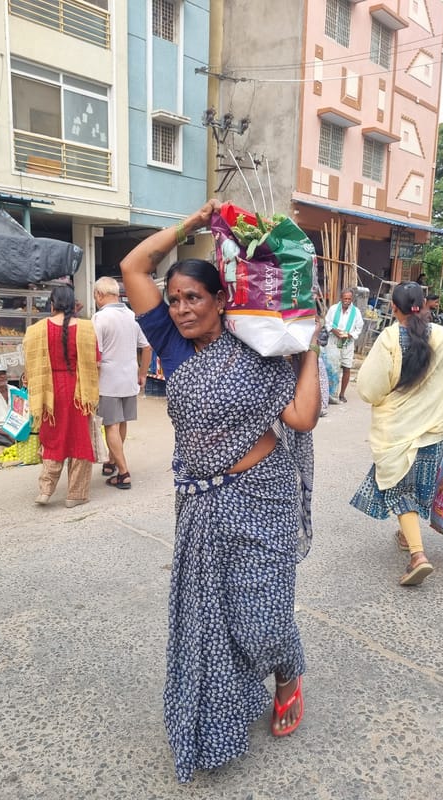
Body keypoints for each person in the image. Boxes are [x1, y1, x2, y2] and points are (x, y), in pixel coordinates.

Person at [119, 199, 321, 783]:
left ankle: (287, 672)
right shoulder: (174, 347)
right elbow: (136, 267)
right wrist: (194, 222)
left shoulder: (261, 345)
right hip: (201, 505)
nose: (180, 308)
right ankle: (220, 716)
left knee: (261, 614)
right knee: (214, 616)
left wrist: (308, 343)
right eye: (175, 298)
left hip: (264, 496)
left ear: (222, 299)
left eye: (193, 298)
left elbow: (302, 419)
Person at [350, 281, 443, 586]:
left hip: (397, 432)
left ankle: (418, 556)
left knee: (403, 492)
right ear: (427, 304)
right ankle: (407, 535)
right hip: (434, 433)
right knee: (420, 489)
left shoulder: (390, 337)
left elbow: (369, 389)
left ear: (394, 307)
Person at [23, 285, 99, 508]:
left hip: (49, 392)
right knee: (79, 439)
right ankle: (75, 495)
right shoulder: (86, 328)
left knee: (53, 438)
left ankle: (46, 490)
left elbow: (29, 364)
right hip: (79, 391)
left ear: (52, 304)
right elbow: (96, 362)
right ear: (74, 304)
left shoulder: (36, 330)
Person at [92, 276, 152, 488]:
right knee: (122, 422)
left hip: (108, 380)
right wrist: (143, 374)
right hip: (129, 378)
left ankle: (123, 472)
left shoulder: (99, 319)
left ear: (99, 295)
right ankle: (111, 460)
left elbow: (95, 353)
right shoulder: (132, 316)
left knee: (111, 425)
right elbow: (146, 347)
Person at [324, 288, 364, 403]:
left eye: (349, 299)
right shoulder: (333, 309)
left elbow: (359, 328)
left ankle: (342, 394)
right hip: (333, 342)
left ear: (352, 299)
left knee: (346, 367)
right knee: (331, 367)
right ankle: (330, 393)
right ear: (341, 298)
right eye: (345, 298)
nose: (347, 301)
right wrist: (334, 331)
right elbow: (327, 323)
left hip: (348, 343)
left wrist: (350, 335)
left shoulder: (356, 312)